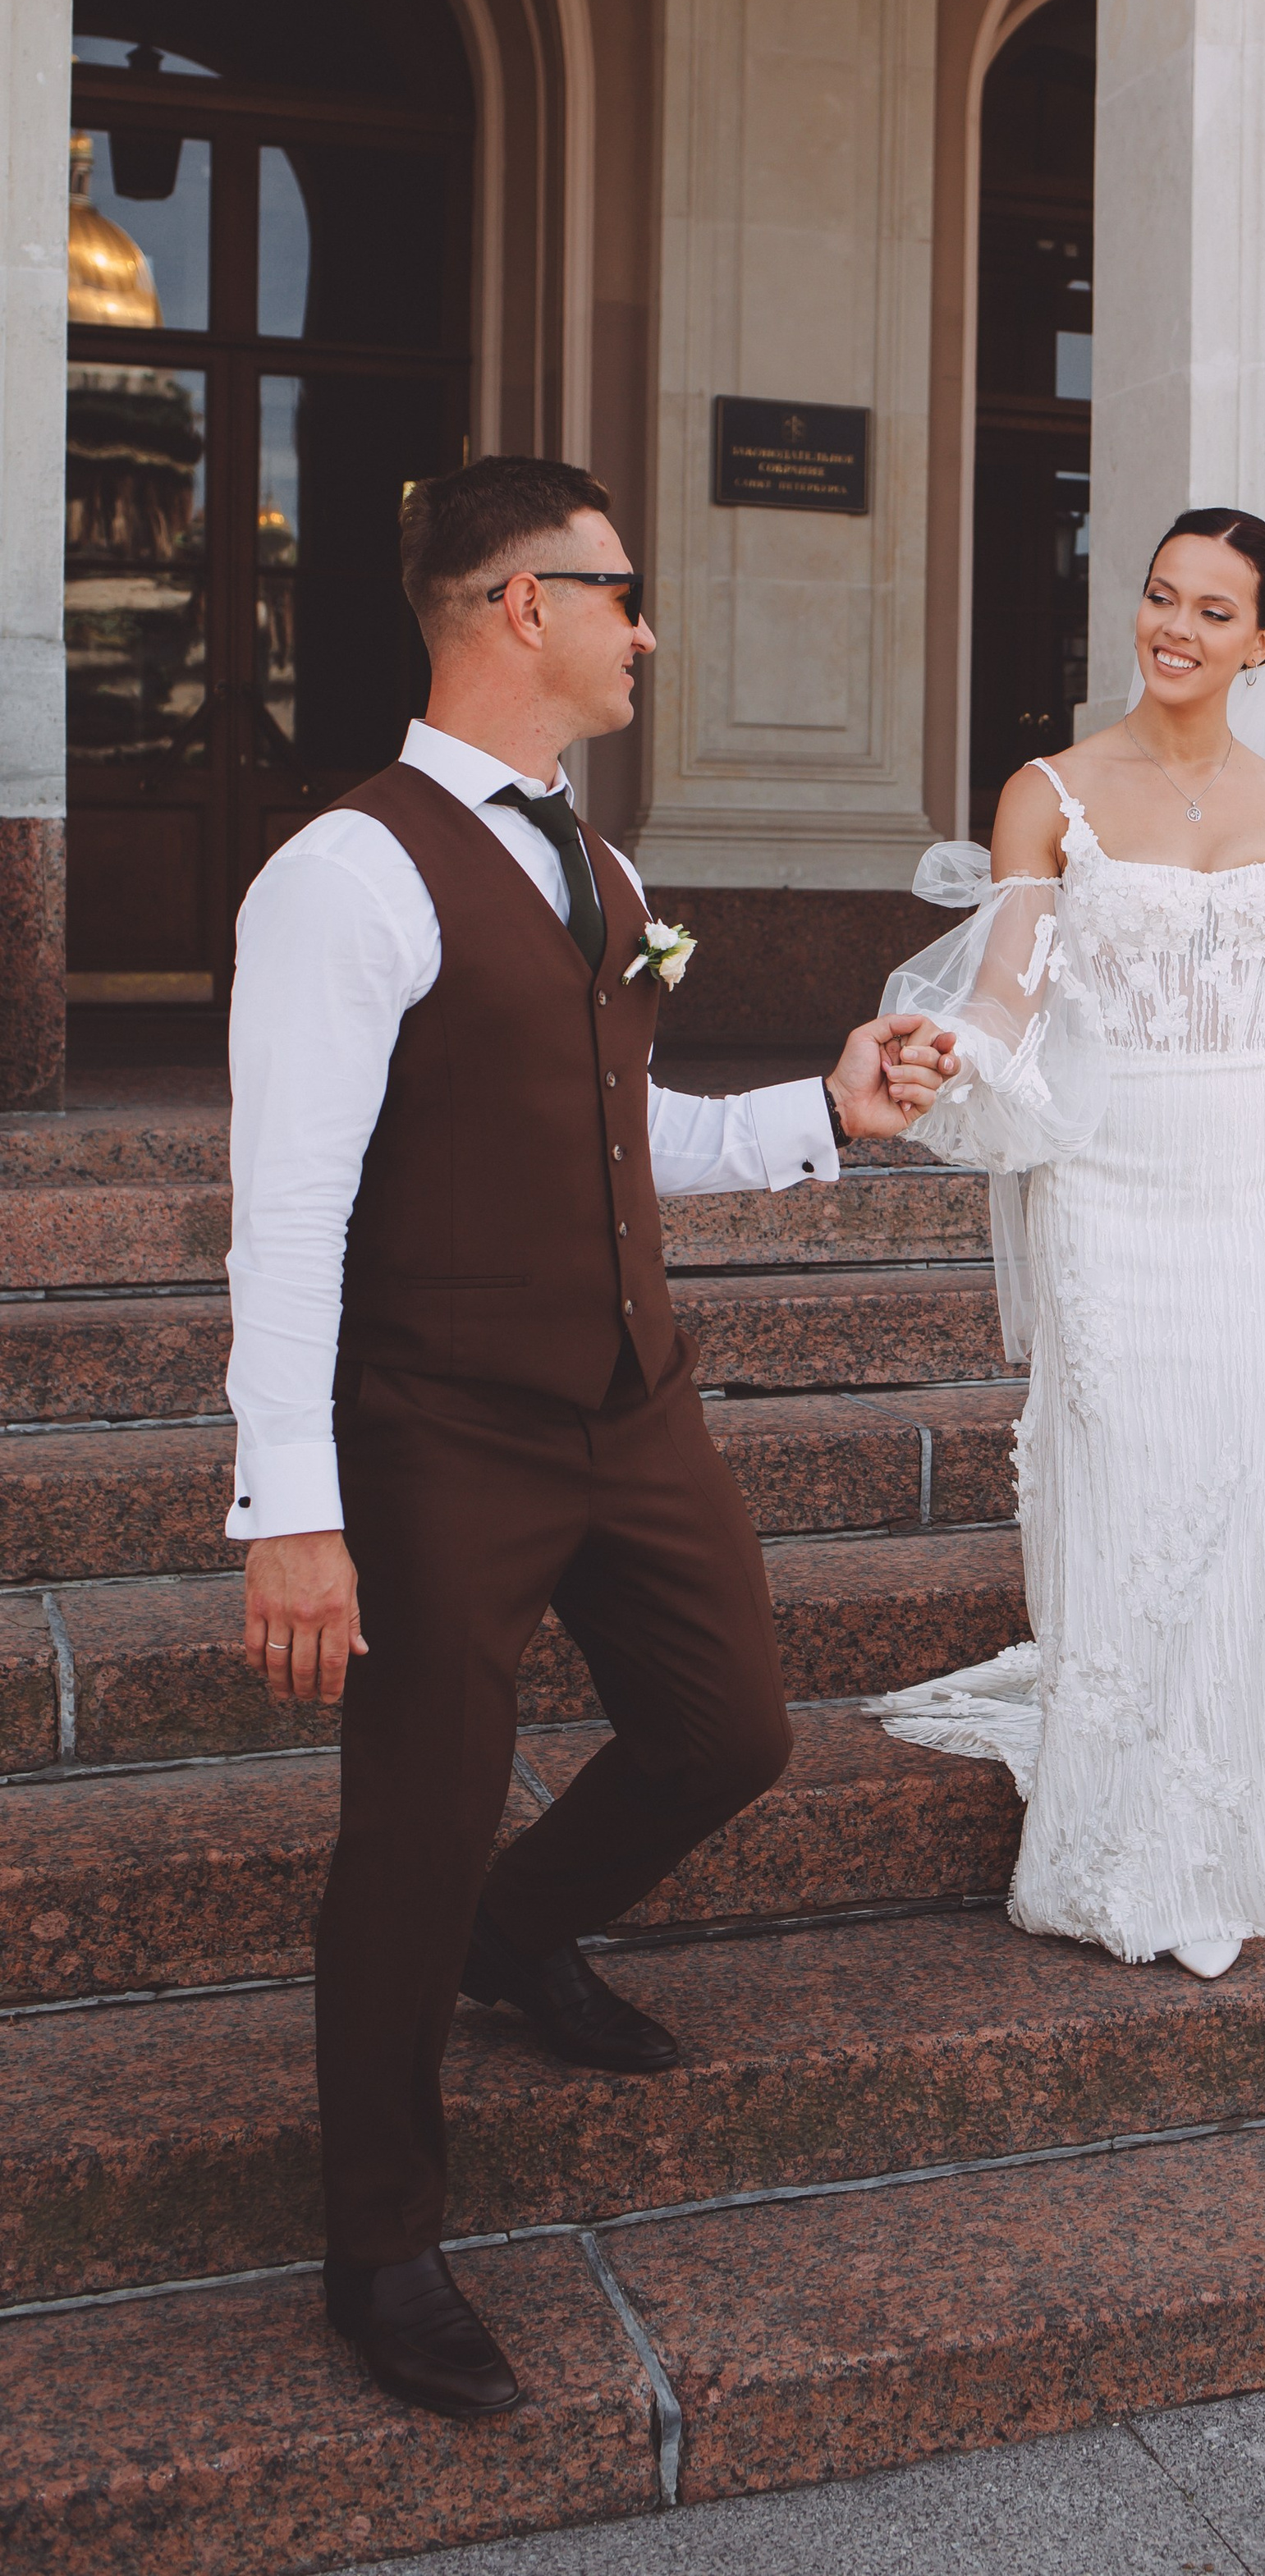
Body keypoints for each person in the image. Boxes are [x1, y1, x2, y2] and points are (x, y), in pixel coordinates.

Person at [225, 455, 954, 2421]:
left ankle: (516, 1934)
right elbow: (285, 1208)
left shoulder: (599, 867)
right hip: (442, 1427)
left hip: (634, 1410)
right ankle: (378, 2244)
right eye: (618, 592)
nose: (646, 629)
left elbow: (620, 1137)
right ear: (509, 607)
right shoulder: (346, 874)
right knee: (411, 1821)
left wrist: (824, 1106)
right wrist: (288, 1506)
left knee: (730, 1731)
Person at [873, 507, 1265, 1980]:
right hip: (1112, 1188)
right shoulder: (1050, 791)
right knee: (1125, 1501)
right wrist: (947, 1050)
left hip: (1252, 1187)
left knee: (1262, 1511)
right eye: (1159, 596)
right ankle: (1115, 1842)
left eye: (1213, 609)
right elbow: (1008, 989)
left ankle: (1221, 1826)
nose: (1173, 628)